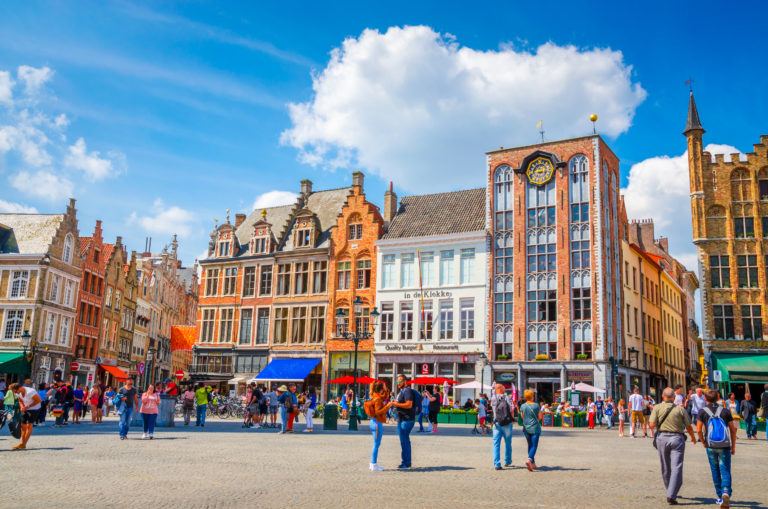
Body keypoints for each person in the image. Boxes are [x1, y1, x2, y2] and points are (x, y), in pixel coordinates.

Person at [649, 387, 697, 505]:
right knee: (677, 467)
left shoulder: (657, 408)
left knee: (665, 466)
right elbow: (689, 426)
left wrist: (660, 425)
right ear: (674, 397)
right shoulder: (680, 409)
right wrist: (692, 437)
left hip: (662, 438)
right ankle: (671, 493)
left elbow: (652, 424)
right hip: (677, 438)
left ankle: (669, 489)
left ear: (663, 396)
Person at [697, 389, 737, 508]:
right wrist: (733, 445)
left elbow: (698, 430)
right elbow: (733, 430)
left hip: (711, 445)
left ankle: (720, 496)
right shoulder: (725, 411)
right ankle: (726, 492)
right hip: (725, 445)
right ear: (718, 398)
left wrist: (703, 442)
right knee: (725, 469)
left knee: (715, 469)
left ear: (705, 399)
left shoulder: (702, 411)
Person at [363, 381, 392, 471]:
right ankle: (373, 464)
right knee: (376, 444)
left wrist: (386, 390)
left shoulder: (374, 396)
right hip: (377, 422)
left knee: (376, 443)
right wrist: (387, 407)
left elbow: (384, 397)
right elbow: (378, 412)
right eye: (383, 387)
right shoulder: (377, 399)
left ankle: (373, 463)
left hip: (373, 422)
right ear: (381, 389)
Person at [390, 374, 417, 469]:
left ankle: (405, 462)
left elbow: (409, 404)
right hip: (402, 419)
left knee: (404, 442)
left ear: (405, 381)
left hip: (406, 419)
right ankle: (407, 462)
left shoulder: (407, 391)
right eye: (397, 381)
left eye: (400, 381)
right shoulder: (401, 391)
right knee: (405, 441)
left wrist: (395, 404)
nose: (398, 383)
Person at [489, 383, 514, 470]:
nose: (504, 389)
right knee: (508, 443)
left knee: (496, 444)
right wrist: (512, 420)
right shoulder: (507, 397)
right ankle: (507, 461)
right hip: (507, 423)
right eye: (503, 388)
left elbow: (493, 410)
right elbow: (511, 409)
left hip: (497, 423)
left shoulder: (493, 398)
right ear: (500, 388)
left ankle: (497, 463)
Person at [10, 383, 42, 450]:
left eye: (15, 391)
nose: (15, 393)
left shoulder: (30, 392)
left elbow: (39, 400)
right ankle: (22, 443)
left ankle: (24, 444)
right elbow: (20, 401)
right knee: (23, 426)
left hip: (34, 409)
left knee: (29, 425)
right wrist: (22, 407)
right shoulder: (18, 392)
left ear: (19, 388)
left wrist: (28, 406)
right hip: (25, 408)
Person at [519, 389, 542, 471]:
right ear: (532, 396)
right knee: (534, 445)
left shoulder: (523, 406)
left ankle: (533, 463)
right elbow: (540, 416)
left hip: (526, 428)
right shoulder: (536, 405)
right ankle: (529, 460)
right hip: (535, 428)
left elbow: (522, 416)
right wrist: (536, 421)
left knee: (530, 445)